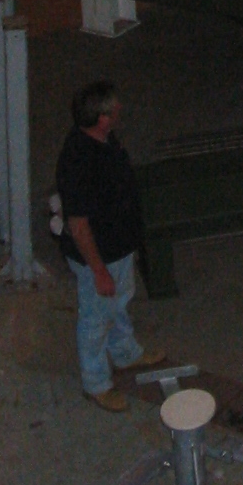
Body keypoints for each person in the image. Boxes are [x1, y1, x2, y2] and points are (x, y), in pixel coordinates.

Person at [55, 81, 165, 413]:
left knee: (118, 303)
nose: (120, 110)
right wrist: (99, 271)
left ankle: (125, 353)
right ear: (102, 118)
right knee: (96, 319)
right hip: (99, 257)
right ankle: (96, 383)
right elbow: (79, 225)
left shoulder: (103, 139)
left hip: (118, 249)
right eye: (115, 108)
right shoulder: (79, 162)